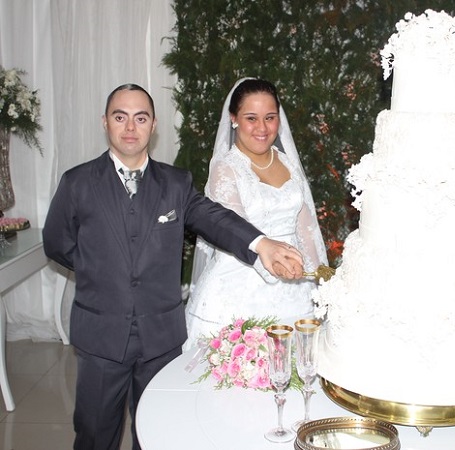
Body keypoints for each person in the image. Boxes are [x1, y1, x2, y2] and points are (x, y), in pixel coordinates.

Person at [42, 83, 305, 450]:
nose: (130, 127)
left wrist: (261, 244)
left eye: (141, 118)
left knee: (157, 433)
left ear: (154, 125)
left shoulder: (176, 183)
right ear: (106, 123)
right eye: (120, 117)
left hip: (160, 338)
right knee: (94, 435)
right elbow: (57, 244)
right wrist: (100, 271)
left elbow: (215, 218)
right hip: (101, 336)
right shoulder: (77, 183)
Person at [183, 78, 328, 350]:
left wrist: (316, 275)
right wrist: (278, 265)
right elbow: (233, 230)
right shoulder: (225, 168)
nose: (262, 128)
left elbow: (306, 230)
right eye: (252, 118)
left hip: (297, 281)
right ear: (234, 118)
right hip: (242, 281)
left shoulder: (288, 163)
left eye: (270, 117)